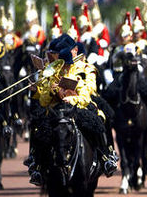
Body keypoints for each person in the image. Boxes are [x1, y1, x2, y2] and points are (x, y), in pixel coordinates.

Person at [26, 34, 118, 186]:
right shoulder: (54, 69)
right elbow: (43, 99)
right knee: (39, 124)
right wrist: (46, 91)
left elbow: (88, 91)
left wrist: (71, 99)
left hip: (78, 106)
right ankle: (37, 164)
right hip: (56, 107)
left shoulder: (85, 67)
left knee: (98, 119)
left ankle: (105, 156)